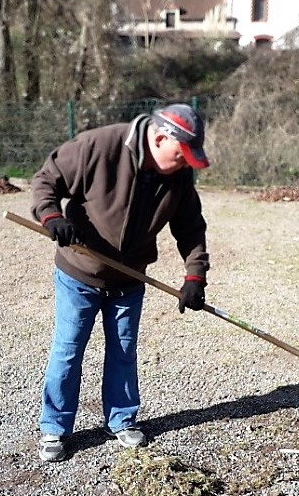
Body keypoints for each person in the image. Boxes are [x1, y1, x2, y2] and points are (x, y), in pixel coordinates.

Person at [30, 104, 211, 462]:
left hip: (130, 279)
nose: (184, 164)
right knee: (68, 349)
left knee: (124, 351)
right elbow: (46, 180)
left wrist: (195, 276)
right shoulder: (100, 146)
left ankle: (121, 419)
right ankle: (55, 427)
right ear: (159, 139)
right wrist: (51, 216)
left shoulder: (177, 177)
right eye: (180, 156)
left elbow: (190, 227)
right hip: (79, 273)